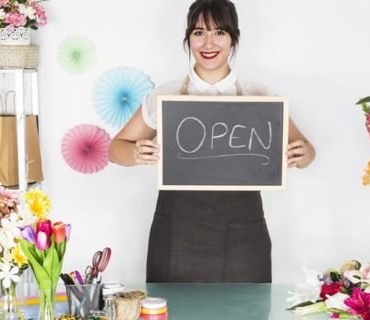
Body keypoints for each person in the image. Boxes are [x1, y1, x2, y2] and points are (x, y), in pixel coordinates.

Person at [109, 0, 315, 283]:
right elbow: (115, 148)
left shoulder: (261, 95)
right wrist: (135, 153)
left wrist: (303, 154)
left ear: (234, 38)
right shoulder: (165, 95)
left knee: (246, 311)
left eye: (219, 32)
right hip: (177, 232)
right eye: (198, 32)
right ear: (188, 39)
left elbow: (307, 150)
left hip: (244, 233)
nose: (208, 43)